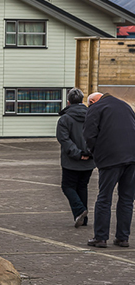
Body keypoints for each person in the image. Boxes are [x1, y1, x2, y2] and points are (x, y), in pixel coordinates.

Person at [83, 92, 135, 248]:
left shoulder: (96, 108)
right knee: (127, 199)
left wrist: (95, 152)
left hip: (110, 159)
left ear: (92, 101)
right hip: (132, 158)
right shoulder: (125, 105)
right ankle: (123, 238)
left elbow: (89, 134)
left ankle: (100, 237)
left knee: (104, 198)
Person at [56, 88, 95, 227]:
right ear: (82, 100)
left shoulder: (64, 119)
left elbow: (64, 140)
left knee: (68, 186)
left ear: (68, 102)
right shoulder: (92, 116)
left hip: (71, 161)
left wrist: (78, 154)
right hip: (90, 160)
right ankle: (83, 219)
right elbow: (97, 136)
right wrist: (89, 153)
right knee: (82, 186)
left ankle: (80, 211)